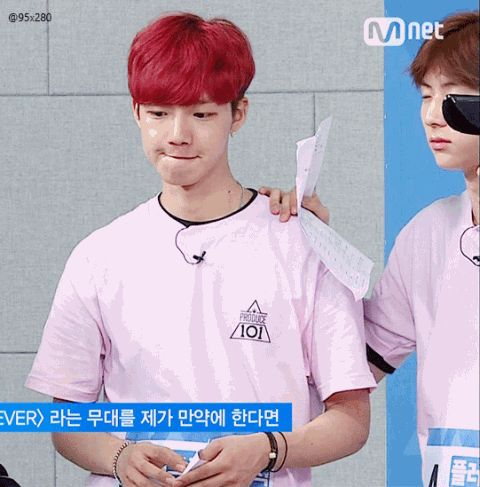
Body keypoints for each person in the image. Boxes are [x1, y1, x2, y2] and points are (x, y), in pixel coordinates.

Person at [25, 12, 376, 487]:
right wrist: (119, 457)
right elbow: (66, 420)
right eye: (159, 113)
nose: (178, 134)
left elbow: (351, 418)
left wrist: (269, 449)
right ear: (136, 113)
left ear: (239, 114)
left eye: (202, 114)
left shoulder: (304, 245)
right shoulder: (98, 256)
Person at [262, 10, 479, 487]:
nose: (431, 114)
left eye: (452, 95)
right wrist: (308, 247)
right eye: (426, 96)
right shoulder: (430, 234)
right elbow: (355, 361)